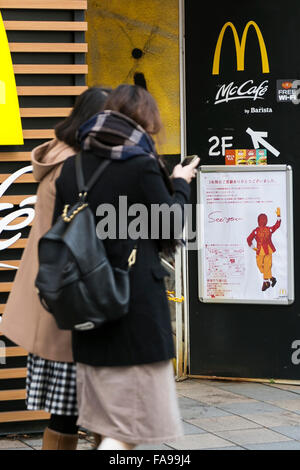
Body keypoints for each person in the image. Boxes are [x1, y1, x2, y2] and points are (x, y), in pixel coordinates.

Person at [52, 84, 199, 450]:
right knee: (125, 432)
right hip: (135, 317)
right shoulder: (140, 166)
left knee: (113, 425)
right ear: (143, 121)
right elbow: (171, 226)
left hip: (88, 313)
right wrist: (180, 184)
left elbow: (62, 232)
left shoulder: (72, 169)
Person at [0, 87, 111, 450]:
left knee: (73, 411)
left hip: (53, 296)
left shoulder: (59, 156)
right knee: (90, 410)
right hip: (75, 299)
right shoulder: (80, 167)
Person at [247, 208, 281, 291]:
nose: (262, 221)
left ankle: (266, 283)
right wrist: (253, 247)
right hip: (260, 251)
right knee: (260, 266)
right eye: (261, 219)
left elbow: (277, 225)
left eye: (264, 219)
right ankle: (271, 278)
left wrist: (278, 216)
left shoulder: (268, 229)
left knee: (266, 266)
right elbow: (248, 239)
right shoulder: (256, 231)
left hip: (268, 250)